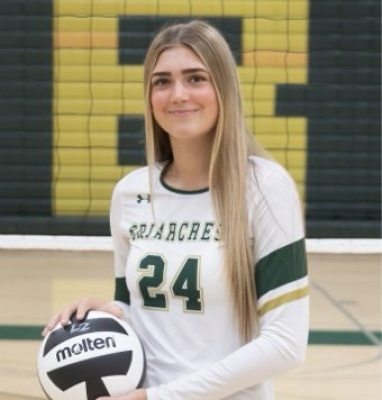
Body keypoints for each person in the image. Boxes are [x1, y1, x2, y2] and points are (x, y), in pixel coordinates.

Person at [43, 19, 309, 400]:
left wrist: (162, 397)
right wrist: (104, 315)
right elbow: (136, 309)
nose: (178, 94)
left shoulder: (265, 188)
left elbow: (286, 344)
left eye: (196, 78)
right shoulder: (131, 193)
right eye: (162, 81)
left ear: (223, 87)